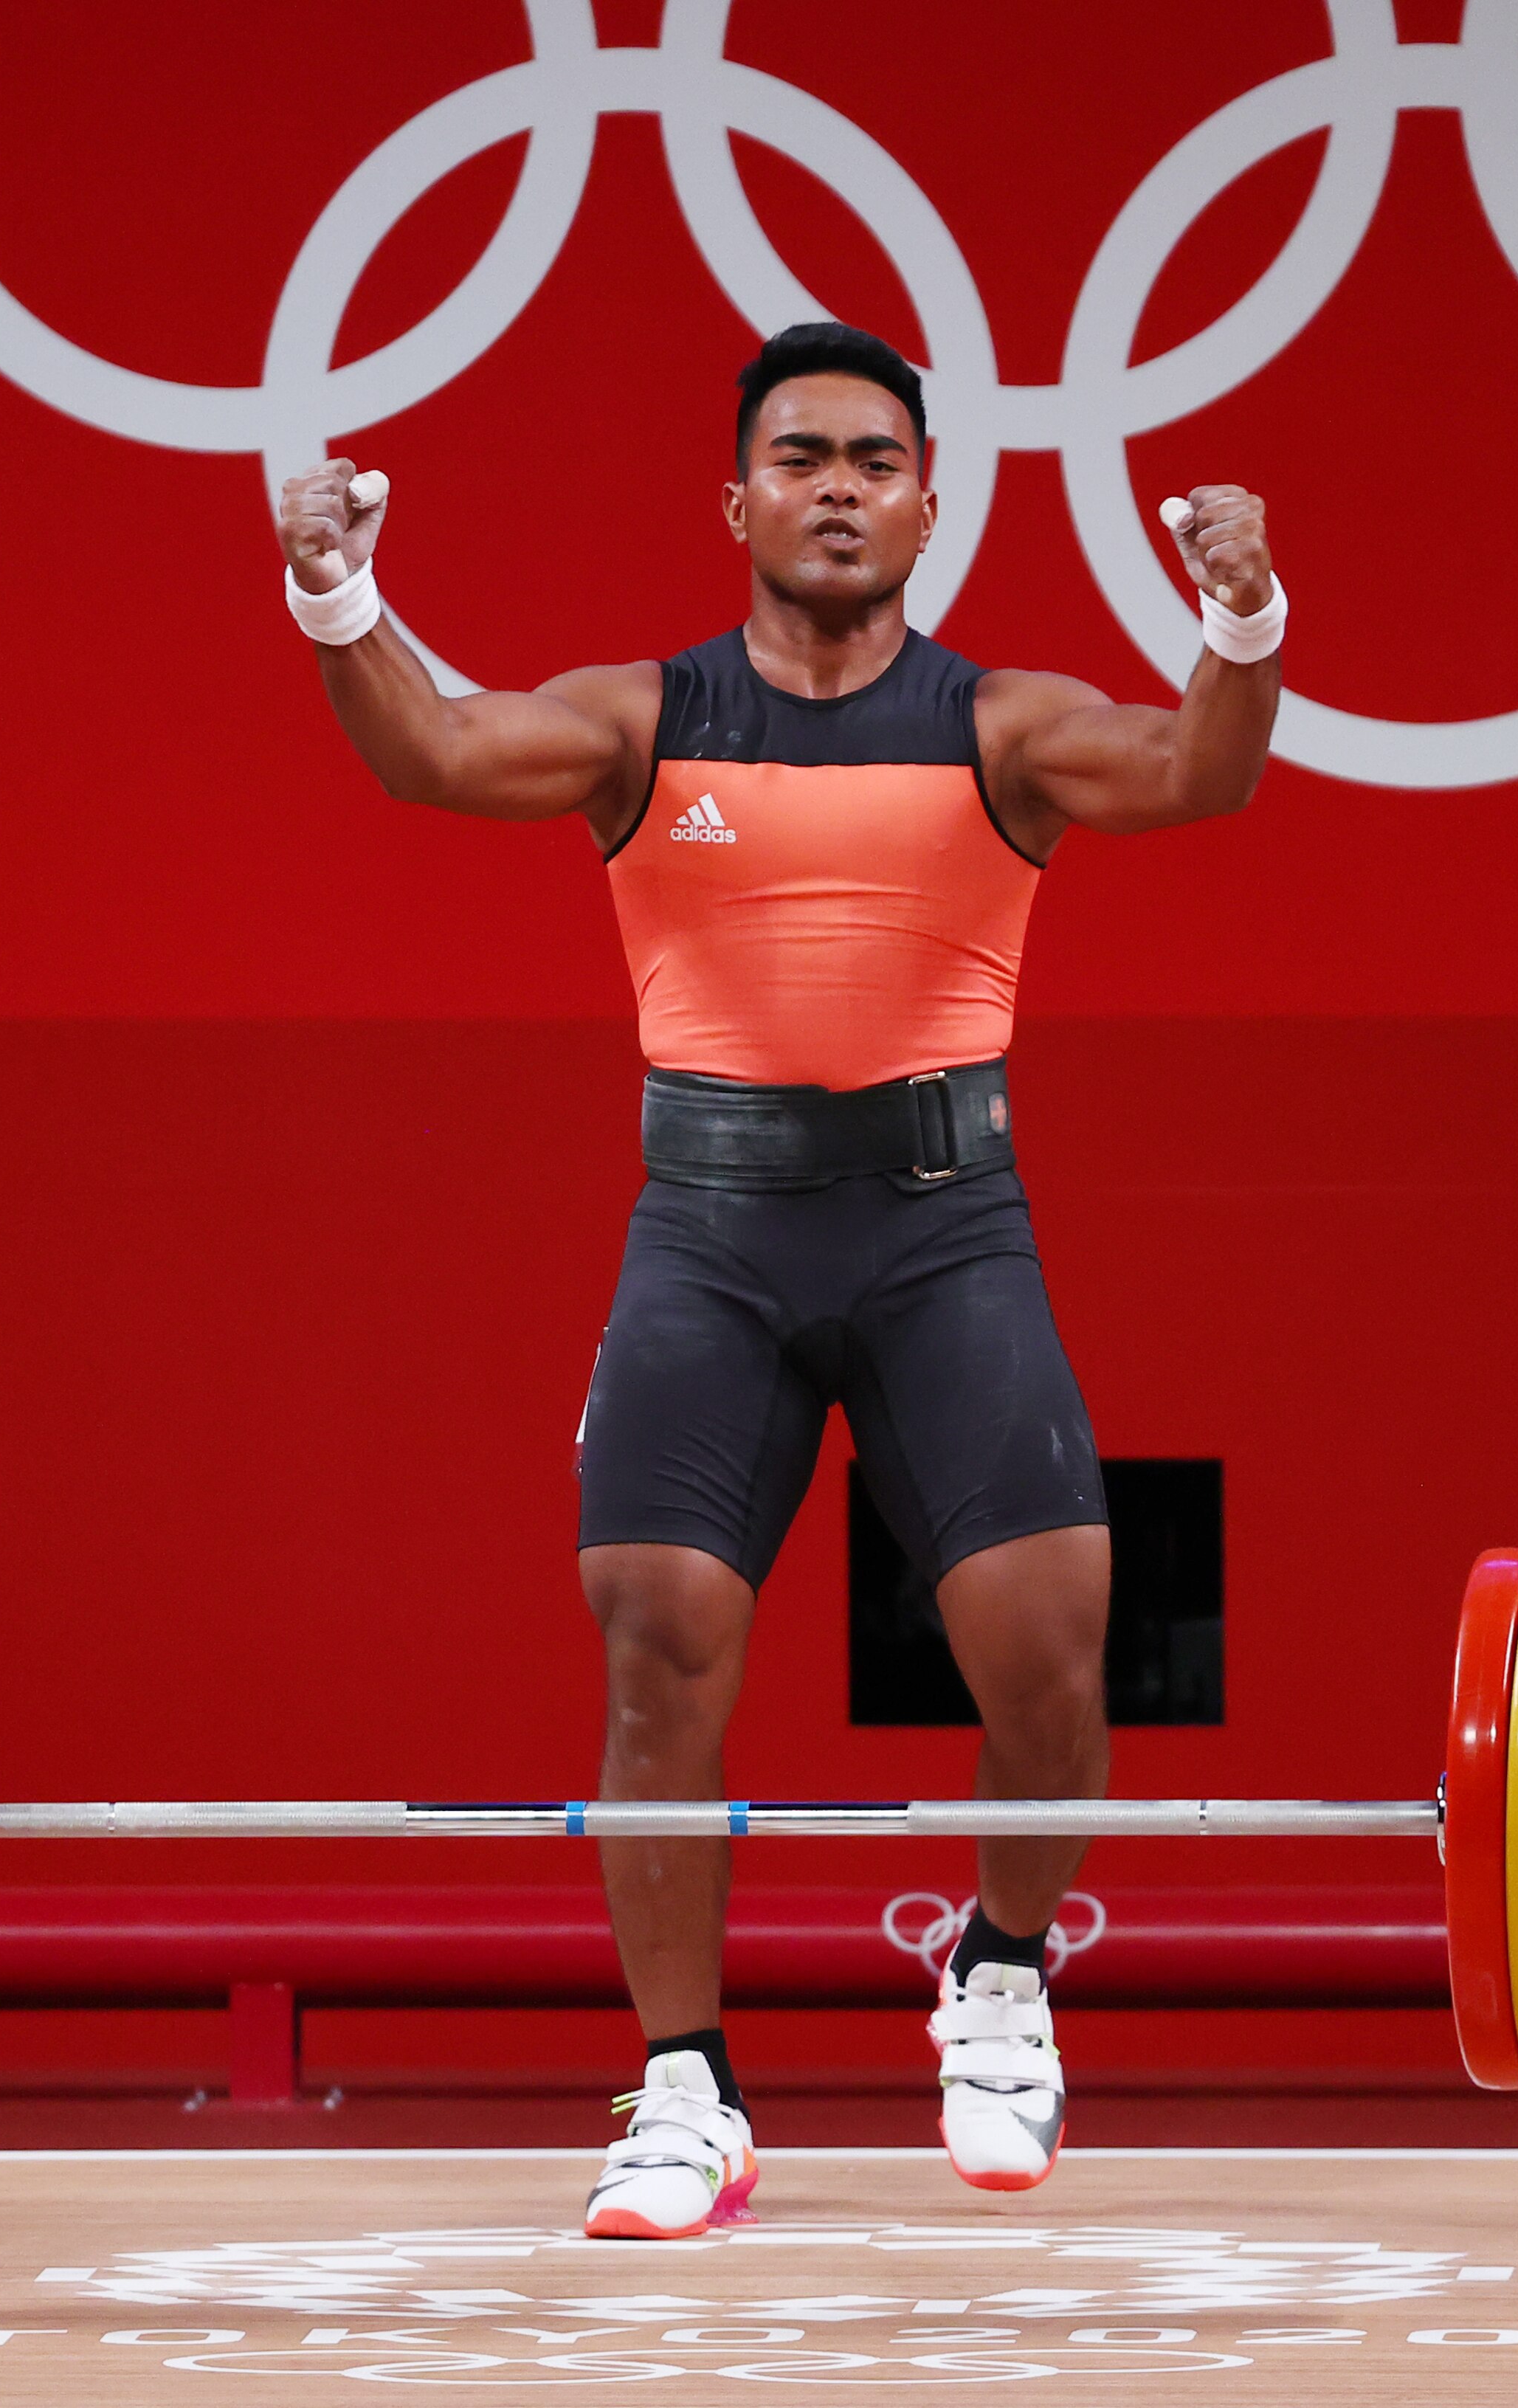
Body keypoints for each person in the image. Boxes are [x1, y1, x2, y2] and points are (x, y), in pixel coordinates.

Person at [274, 322, 1282, 2238]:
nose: (836, 489)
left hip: (944, 1229)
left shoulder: (1001, 726)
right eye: (800, 458)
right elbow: (437, 753)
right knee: (655, 1634)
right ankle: (685, 2091)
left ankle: (1000, 1973)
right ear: (735, 502)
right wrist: (338, 593)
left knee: (1059, 1642)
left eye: (874, 461)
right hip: (714, 1235)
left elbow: (1195, 774)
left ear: (926, 505)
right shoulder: (646, 722)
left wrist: (1242, 622)